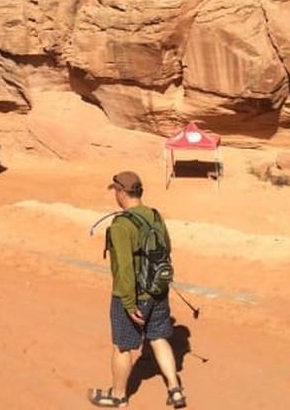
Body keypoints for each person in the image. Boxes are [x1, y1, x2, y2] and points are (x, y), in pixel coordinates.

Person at [89, 171, 186, 409]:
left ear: (121, 193)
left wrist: (129, 303)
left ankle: (118, 396)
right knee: (158, 337)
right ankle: (175, 390)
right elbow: (167, 248)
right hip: (158, 290)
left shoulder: (121, 224)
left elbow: (123, 268)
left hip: (135, 295)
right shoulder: (154, 215)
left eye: (116, 191)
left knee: (123, 346)